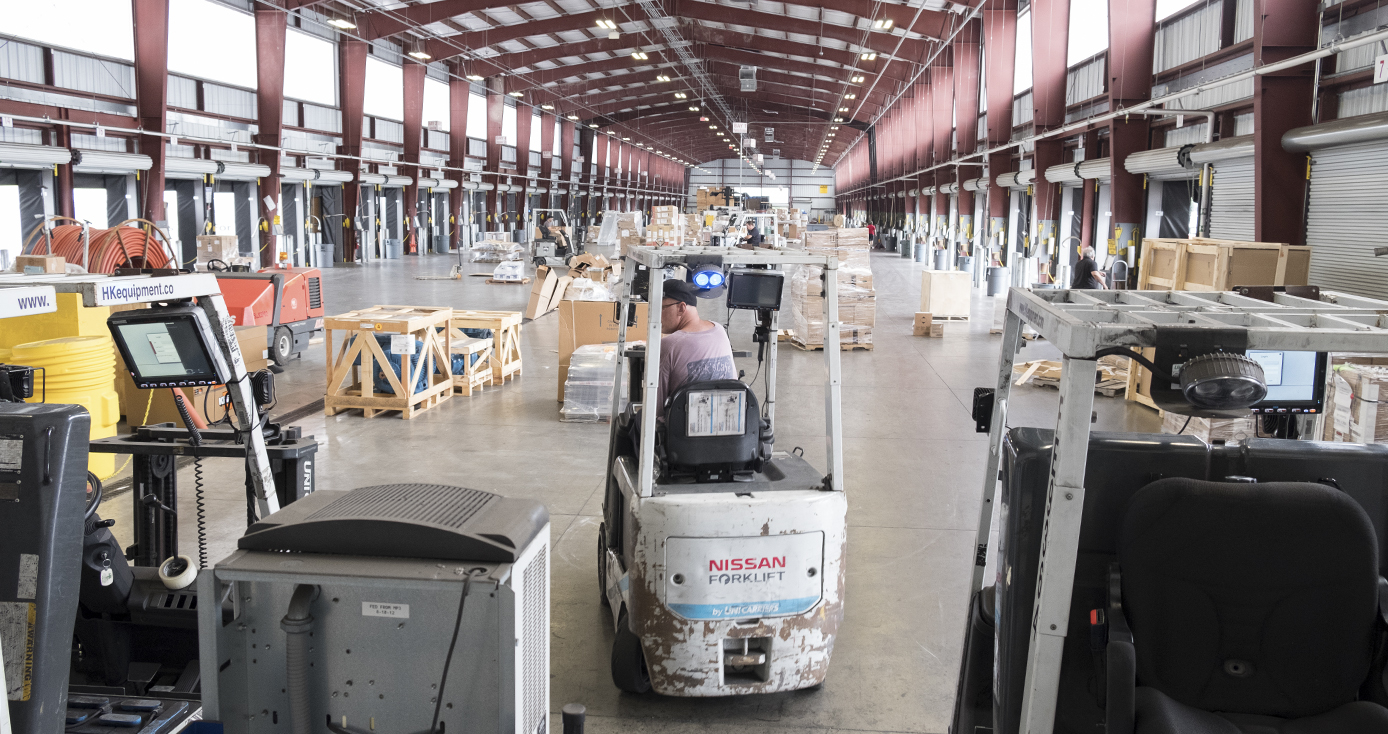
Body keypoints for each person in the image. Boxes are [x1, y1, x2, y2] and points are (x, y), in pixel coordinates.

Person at [655, 280, 737, 418]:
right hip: (729, 425)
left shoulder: (669, 345)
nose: (655, 316)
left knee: (633, 422)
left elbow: (656, 408)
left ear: (681, 308)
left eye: (660, 308)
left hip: (683, 432)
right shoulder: (719, 330)